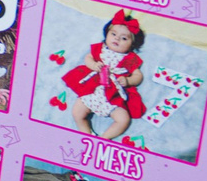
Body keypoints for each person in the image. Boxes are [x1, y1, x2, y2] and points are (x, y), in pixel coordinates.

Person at [60, 10, 148, 140]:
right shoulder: (100, 49)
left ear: (132, 44)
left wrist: (129, 81)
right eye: (113, 34)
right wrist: (93, 65)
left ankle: (104, 138)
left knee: (124, 119)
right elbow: (88, 58)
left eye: (124, 38)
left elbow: (138, 76)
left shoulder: (130, 58)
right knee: (77, 112)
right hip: (92, 93)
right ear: (106, 35)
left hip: (113, 96)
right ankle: (86, 134)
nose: (117, 38)